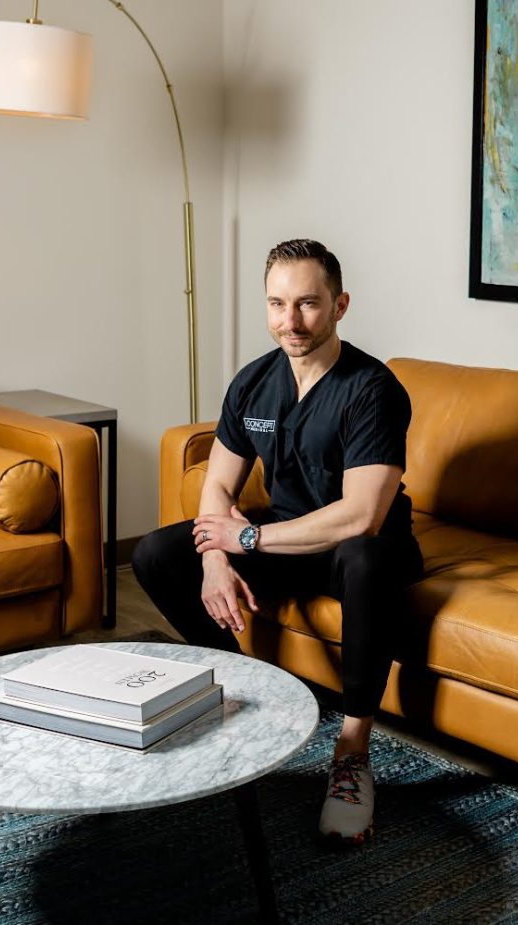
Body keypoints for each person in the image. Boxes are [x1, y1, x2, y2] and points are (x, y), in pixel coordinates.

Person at [132, 239, 423, 845]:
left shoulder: (373, 389)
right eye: (277, 304)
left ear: (340, 305)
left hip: (356, 551)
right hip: (281, 542)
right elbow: (217, 481)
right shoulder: (253, 383)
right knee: (157, 553)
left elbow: (362, 516)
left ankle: (352, 754)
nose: (290, 322)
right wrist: (215, 557)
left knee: (366, 558)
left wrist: (247, 535)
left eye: (308, 304)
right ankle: (242, 696)